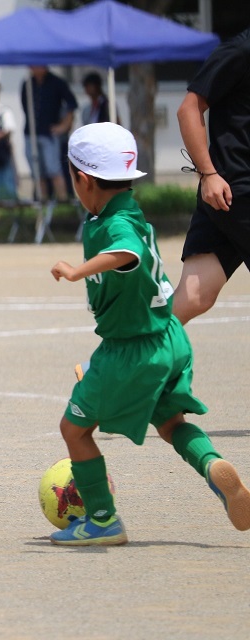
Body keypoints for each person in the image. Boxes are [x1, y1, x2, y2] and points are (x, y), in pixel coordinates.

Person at [48, 122, 250, 546]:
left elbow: (128, 252)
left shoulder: (116, 225)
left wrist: (77, 271)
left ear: (82, 179)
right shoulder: (129, 211)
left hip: (131, 351)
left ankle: (102, 520)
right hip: (168, 338)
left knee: (74, 430)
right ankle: (213, 467)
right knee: (171, 423)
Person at [173, 28, 250, 326]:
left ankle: (117, 355)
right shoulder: (240, 51)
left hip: (225, 200)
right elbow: (188, 109)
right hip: (236, 190)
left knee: (194, 296)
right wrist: (208, 174)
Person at [20, 66, 77, 203]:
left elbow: (72, 104)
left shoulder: (57, 83)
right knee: (37, 172)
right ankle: (43, 202)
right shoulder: (27, 84)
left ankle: (63, 202)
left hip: (49, 135)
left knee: (54, 170)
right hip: (31, 134)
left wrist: (63, 126)